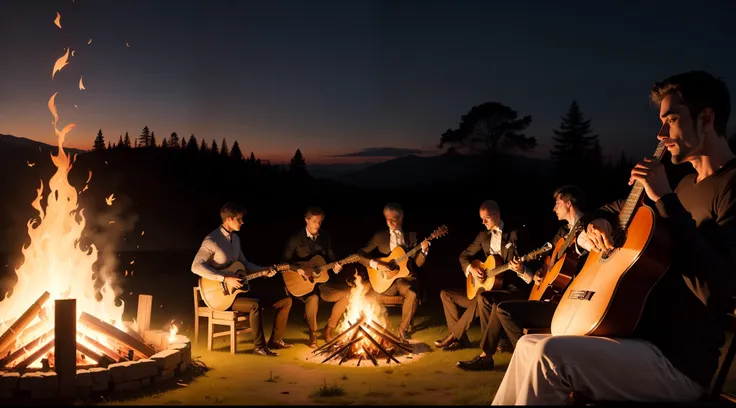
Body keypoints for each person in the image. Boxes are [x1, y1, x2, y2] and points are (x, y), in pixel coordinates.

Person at [492, 71, 736, 405]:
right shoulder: (684, 186)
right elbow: (615, 210)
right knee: (528, 345)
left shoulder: (730, 187)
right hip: (640, 341)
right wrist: (599, 224)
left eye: (672, 120)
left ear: (706, 118)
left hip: (680, 362)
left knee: (550, 355)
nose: (661, 133)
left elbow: (715, 290)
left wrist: (664, 198)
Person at [486, 186, 593, 369]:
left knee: (504, 309)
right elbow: (547, 264)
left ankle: (530, 361)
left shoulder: (589, 229)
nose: (554, 208)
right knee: (498, 306)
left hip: (567, 306)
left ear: (569, 204)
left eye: (557, 203)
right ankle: (485, 356)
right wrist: (530, 272)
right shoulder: (561, 234)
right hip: (551, 295)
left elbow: (578, 260)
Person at [191, 202, 293, 357]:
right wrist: (225, 278)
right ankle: (259, 347)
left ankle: (276, 340)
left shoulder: (236, 239)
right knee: (254, 305)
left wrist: (263, 271)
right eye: (239, 219)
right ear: (229, 219)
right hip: (220, 296)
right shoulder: (212, 240)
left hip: (237, 292)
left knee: (285, 301)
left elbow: (244, 264)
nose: (243, 222)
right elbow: (196, 266)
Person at [436, 201, 527, 354]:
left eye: (487, 218)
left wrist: (519, 268)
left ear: (497, 215)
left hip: (505, 290)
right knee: (446, 294)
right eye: (481, 218)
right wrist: (472, 268)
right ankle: (461, 338)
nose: (483, 222)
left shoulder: (513, 234)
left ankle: (454, 336)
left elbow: (522, 262)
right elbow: (464, 256)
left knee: (481, 297)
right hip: (484, 288)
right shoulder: (483, 235)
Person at [357, 202, 430, 340]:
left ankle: (402, 332)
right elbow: (359, 255)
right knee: (364, 294)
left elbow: (418, 263)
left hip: (405, 280)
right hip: (385, 281)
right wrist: (376, 264)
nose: (389, 222)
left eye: (393, 219)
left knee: (412, 294)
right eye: (387, 219)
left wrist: (424, 251)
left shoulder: (411, 236)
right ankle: (368, 329)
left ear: (401, 218)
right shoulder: (379, 236)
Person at [282, 206, 351, 348]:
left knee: (348, 294)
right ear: (306, 220)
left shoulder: (325, 237)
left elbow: (332, 258)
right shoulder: (296, 238)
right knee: (313, 299)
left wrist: (336, 267)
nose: (318, 225)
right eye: (314, 221)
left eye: (320, 222)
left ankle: (329, 328)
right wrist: (299, 269)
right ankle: (313, 334)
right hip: (302, 285)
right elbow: (283, 262)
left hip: (322, 283)